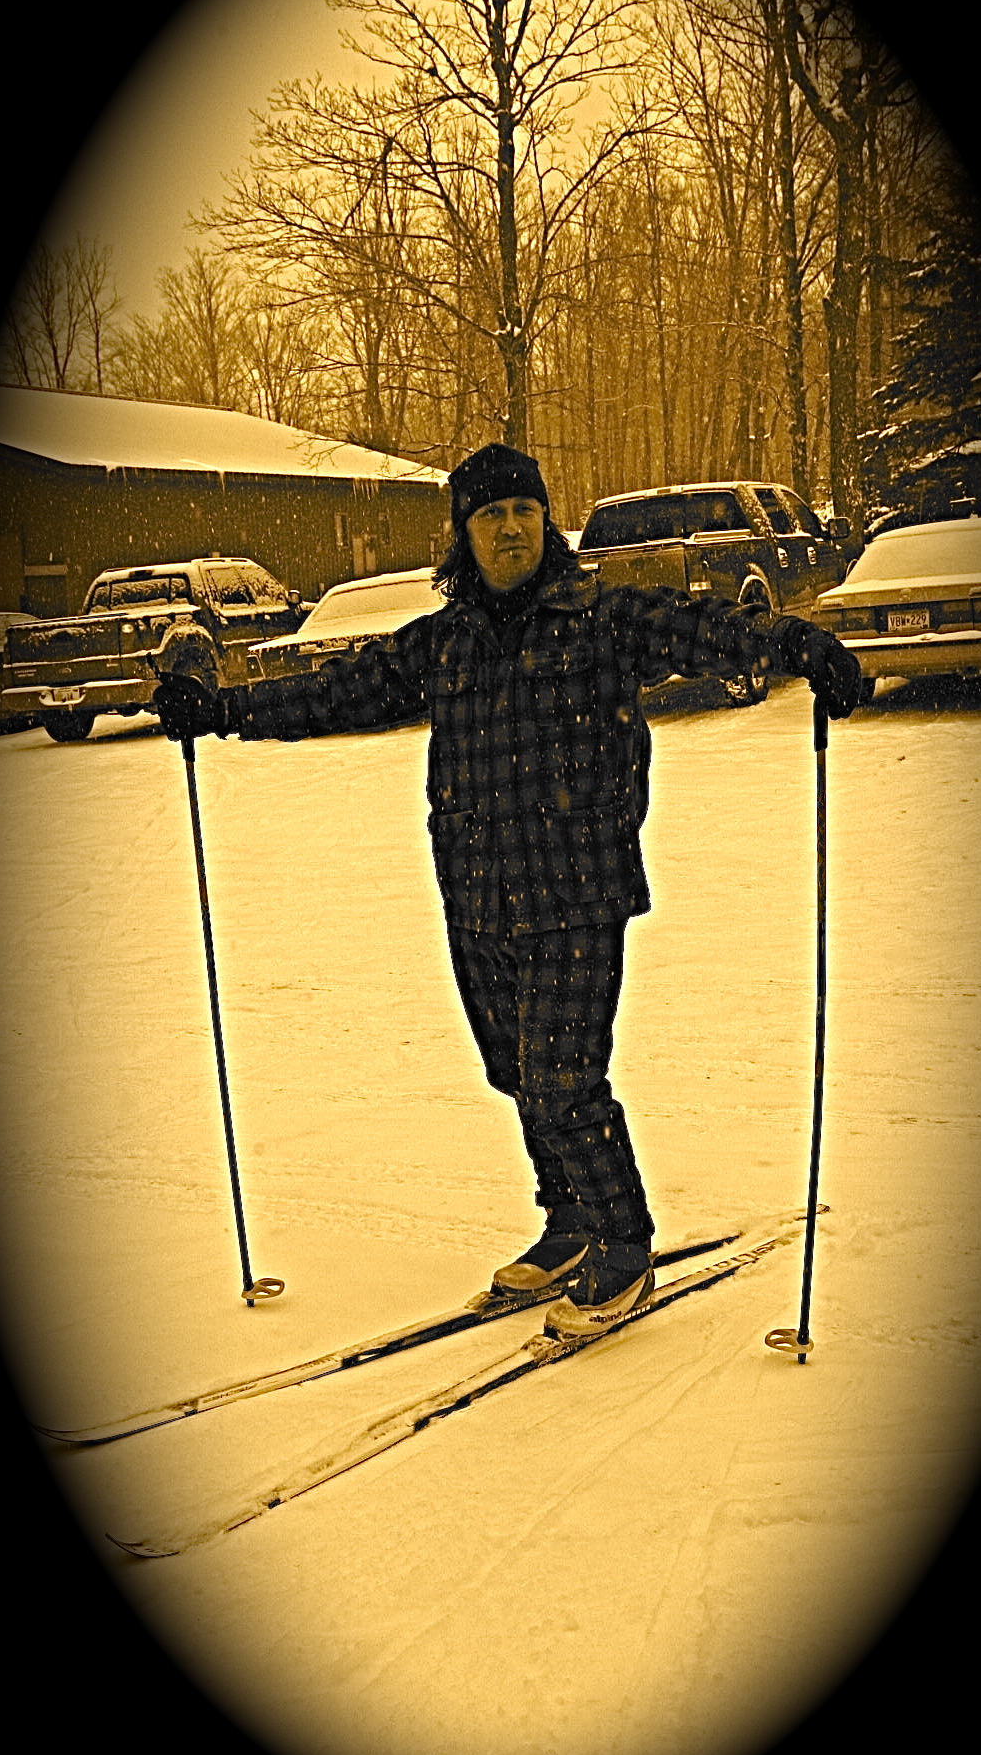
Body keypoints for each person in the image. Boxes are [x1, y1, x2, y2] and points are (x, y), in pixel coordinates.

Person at [153, 443, 861, 1336]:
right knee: (515, 1073)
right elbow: (338, 693)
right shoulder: (442, 643)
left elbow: (702, 627)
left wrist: (792, 641)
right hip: (476, 891)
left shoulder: (602, 617)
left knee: (562, 1080)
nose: (511, 527)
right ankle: (567, 1217)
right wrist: (221, 712)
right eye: (491, 515)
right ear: (464, 533)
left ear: (546, 522)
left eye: (524, 510)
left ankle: (621, 1238)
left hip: (578, 889)